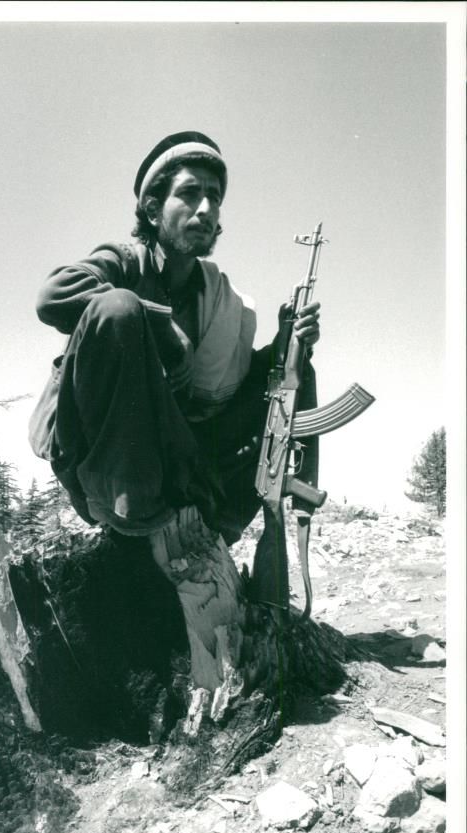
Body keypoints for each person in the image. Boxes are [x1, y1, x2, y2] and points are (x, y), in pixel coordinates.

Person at [33, 130, 320, 549]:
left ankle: (218, 527)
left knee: (289, 372)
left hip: (176, 449)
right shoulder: (125, 262)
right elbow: (52, 296)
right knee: (119, 309)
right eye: (189, 194)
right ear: (153, 209)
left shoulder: (218, 293)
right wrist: (161, 327)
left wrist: (288, 347)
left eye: (215, 197)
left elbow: (228, 391)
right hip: (102, 460)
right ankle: (129, 511)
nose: (206, 209)